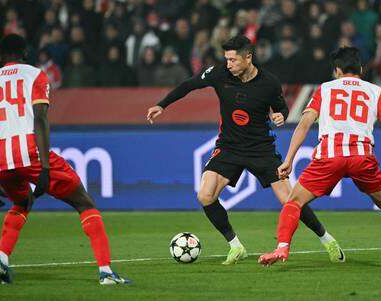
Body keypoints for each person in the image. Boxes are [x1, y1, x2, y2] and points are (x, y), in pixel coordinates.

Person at [147, 36, 344, 265]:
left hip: (260, 149)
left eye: (232, 59)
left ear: (248, 57)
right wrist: (162, 104)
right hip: (229, 147)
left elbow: (281, 107)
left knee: (290, 200)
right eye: (226, 59)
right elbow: (189, 84)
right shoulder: (219, 73)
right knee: (205, 195)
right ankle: (235, 245)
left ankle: (327, 239)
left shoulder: (269, 82)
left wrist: (281, 115)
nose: (228, 64)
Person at [258, 46, 381, 268]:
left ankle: (282, 248)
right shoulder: (375, 91)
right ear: (361, 69)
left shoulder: (325, 89)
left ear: (337, 70)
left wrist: (288, 159)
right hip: (362, 157)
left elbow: (305, 124)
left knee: (294, 201)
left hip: (330, 156)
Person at [0, 34, 130, 285]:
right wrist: (44, 167)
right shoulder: (35, 75)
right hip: (30, 151)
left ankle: (0, 260)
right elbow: (40, 118)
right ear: (25, 52)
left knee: (22, 202)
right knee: (84, 202)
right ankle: (106, 272)